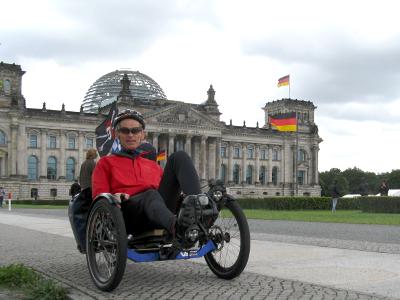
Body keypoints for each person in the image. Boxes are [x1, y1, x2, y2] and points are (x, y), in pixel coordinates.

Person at [92, 109, 201, 241]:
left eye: (135, 130)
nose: (130, 135)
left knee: (180, 156)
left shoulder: (152, 165)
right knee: (150, 194)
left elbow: (167, 192)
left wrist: (183, 198)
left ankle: (199, 207)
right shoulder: (105, 163)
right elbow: (99, 197)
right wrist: (114, 196)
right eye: (125, 131)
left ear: (143, 135)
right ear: (116, 135)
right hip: (129, 216)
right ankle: (177, 228)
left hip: (160, 213)